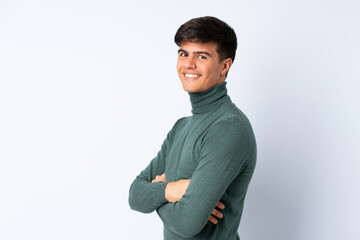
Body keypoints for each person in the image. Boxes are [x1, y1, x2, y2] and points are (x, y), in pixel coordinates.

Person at [128, 16, 257, 240]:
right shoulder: (181, 127)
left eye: (202, 56)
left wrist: (159, 192)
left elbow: (187, 223)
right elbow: (134, 195)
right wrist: (173, 190)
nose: (189, 64)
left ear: (224, 66)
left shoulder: (228, 127)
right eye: (184, 53)